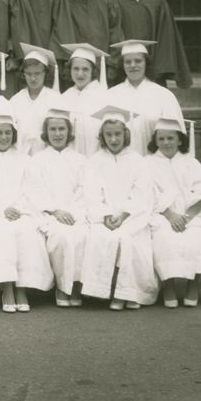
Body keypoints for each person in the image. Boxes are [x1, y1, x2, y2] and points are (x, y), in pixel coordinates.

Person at [145, 117, 201, 308]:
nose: (166, 143)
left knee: (197, 236)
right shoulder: (148, 164)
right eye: (161, 139)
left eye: (170, 138)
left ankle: (192, 285)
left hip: (192, 215)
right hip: (161, 214)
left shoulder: (191, 163)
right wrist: (170, 215)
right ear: (155, 141)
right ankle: (168, 284)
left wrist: (186, 217)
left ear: (180, 139)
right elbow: (147, 194)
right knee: (163, 237)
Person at [0, 112, 54, 312]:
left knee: (27, 232)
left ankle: (22, 288)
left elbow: (31, 189)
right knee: (2, 232)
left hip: (21, 212)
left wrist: (18, 208)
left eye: (8, 132)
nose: (4, 137)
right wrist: (1, 210)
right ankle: (7, 288)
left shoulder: (24, 160)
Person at [79, 104, 156, 310]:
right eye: (108, 134)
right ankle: (107, 291)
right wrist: (105, 216)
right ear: (102, 136)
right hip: (103, 217)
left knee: (128, 238)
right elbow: (92, 193)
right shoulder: (94, 161)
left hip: (132, 216)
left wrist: (123, 216)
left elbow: (141, 194)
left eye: (117, 134)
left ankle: (126, 293)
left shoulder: (138, 161)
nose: (113, 139)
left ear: (126, 134)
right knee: (103, 238)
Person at [23, 109, 87, 307]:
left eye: (62, 129)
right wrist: (56, 211)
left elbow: (86, 191)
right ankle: (62, 286)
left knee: (81, 234)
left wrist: (73, 213)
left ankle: (75, 285)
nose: (58, 134)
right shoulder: (37, 161)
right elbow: (35, 192)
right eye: (53, 129)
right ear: (46, 132)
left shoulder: (80, 160)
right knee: (60, 237)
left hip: (76, 214)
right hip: (49, 214)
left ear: (69, 132)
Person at [117, 0, 194, 89]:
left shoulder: (158, 4)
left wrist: (158, 69)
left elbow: (166, 38)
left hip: (154, 72)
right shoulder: (118, 4)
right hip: (126, 70)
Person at [109, 40, 183, 155]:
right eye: (128, 62)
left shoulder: (164, 96)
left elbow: (177, 134)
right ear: (122, 65)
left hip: (156, 164)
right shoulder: (111, 95)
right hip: (122, 164)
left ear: (146, 63)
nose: (133, 65)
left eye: (138, 61)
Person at [66, 0, 125, 86]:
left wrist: (112, 66)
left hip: (104, 68)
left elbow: (116, 35)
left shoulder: (108, 2)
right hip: (77, 69)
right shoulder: (68, 4)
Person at [10, 43, 62, 156]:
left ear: (45, 73)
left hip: (48, 157)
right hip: (20, 156)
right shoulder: (15, 100)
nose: (33, 78)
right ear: (23, 74)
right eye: (29, 74)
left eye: (37, 73)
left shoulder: (55, 99)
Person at [59, 43, 109, 156]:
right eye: (75, 68)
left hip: (97, 157)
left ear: (93, 71)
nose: (80, 74)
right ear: (70, 70)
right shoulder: (64, 97)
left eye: (85, 69)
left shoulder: (104, 96)